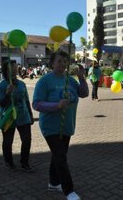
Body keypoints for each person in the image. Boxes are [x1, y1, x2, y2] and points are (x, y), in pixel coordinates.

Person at [32, 51, 89, 200]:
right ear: (51, 63)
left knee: (59, 155)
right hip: (50, 126)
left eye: (65, 61)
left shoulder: (70, 80)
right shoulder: (44, 81)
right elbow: (36, 104)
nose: (62, 64)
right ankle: (69, 191)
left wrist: (82, 78)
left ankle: (53, 182)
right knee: (60, 157)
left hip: (67, 125)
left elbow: (83, 93)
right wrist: (56, 105)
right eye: (59, 61)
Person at [0, 60, 34, 171]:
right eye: (11, 69)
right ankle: (9, 162)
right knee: (8, 141)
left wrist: (30, 115)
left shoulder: (22, 84)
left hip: (23, 116)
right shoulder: (1, 86)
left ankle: (24, 162)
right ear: (5, 71)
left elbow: (26, 100)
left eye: (15, 68)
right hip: (8, 117)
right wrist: (7, 94)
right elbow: (1, 103)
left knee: (27, 140)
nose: (14, 71)